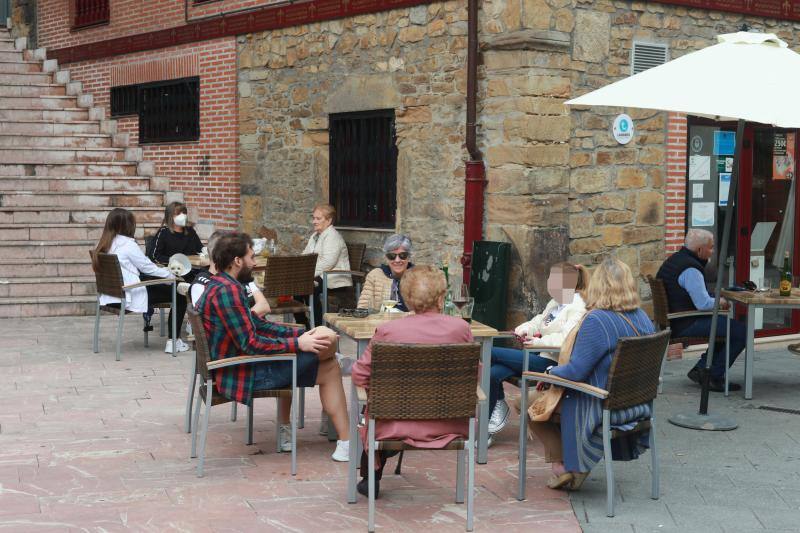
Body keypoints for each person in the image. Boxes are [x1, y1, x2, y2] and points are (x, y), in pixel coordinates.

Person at [196, 232, 350, 459]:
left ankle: (346, 441)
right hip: (241, 371)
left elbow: (256, 324)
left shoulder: (222, 285)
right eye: (251, 257)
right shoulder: (228, 291)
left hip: (241, 364)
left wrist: (300, 334)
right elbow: (250, 344)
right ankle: (346, 442)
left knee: (323, 340)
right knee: (329, 366)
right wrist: (297, 343)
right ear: (237, 261)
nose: (255, 262)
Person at [529, 256, 655, 490]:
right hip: (637, 404)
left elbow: (576, 372)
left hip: (599, 403)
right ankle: (571, 464)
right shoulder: (642, 317)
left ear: (598, 285)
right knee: (544, 399)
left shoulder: (598, 320)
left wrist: (550, 371)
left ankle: (567, 465)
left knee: (530, 404)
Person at [351, 265, 473, 498]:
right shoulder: (462, 329)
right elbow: (473, 376)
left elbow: (359, 375)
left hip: (393, 426)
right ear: (441, 297)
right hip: (450, 425)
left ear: (406, 299)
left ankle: (370, 478)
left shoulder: (388, 331)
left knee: (372, 409)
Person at [487, 262, 589, 441]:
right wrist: (525, 329)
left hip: (553, 362)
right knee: (492, 373)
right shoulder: (557, 302)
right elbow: (539, 321)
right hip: (537, 355)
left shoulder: (577, 307)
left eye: (552, 278)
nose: (549, 281)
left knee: (490, 351)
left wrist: (537, 342)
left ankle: (495, 413)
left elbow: (565, 340)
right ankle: (490, 423)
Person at [656, 228, 745, 392]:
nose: (712, 252)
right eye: (710, 247)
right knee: (740, 331)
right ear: (699, 250)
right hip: (686, 322)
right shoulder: (691, 269)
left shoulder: (675, 260)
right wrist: (720, 302)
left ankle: (701, 369)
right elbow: (703, 304)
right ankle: (713, 376)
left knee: (727, 327)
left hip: (675, 321)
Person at [93, 208, 188, 353]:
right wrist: (170, 275)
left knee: (163, 285)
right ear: (127, 225)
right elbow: (147, 267)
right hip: (129, 295)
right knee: (180, 294)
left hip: (110, 296)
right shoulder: (128, 245)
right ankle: (173, 341)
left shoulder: (105, 244)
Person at [190, 230, 270, 318]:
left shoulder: (241, 275)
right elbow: (222, 319)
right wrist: (245, 317)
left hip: (257, 327)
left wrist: (243, 316)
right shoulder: (202, 284)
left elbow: (264, 307)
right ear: (219, 254)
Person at [297, 204, 352, 324]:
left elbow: (328, 263)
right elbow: (305, 254)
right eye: (313, 218)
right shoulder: (315, 236)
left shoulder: (333, 236)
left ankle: (317, 325)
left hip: (334, 276)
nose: (314, 221)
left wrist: (306, 274)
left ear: (329, 220)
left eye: (318, 218)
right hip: (319, 274)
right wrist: (298, 268)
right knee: (295, 287)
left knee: (309, 288)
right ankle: (303, 323)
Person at [357, 234, 414, 312]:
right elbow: (363, 308)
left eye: (402, 255)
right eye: (392, 256)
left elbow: (426, 312)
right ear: (386, 257)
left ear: (409, 256)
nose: (397, 260)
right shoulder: (375, 275)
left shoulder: (418, 276)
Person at [148, 201, 204, 268]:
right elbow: (154, 256)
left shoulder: (190, 231)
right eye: (178, 214)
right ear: (170, 216)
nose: (182, 216)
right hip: (172, 269)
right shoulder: (163, 232)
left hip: (191, 268)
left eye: (184, 213)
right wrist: (172, 260)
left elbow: (200, 249)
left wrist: (205, 251)